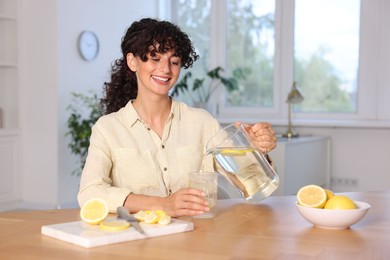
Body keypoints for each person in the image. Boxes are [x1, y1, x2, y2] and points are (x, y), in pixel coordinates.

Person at [77, 18, 277, 217]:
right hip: (137, 242)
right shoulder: (107, 128)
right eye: (155, 58)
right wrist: (163, 205)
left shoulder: (202, 123)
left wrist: (256, 149)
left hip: (197, 237)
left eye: (174, 61)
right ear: (132, 62)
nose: (165, 69)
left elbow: (254, 186)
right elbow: (89, 193)